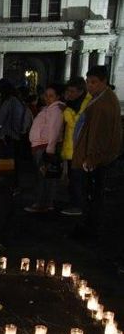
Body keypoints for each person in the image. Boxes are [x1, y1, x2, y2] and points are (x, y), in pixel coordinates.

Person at [71, 65, 123, 239]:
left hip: (95, 160)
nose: (89, 86)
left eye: (93, 82)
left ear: (103, 82)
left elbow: (99, 134)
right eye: (87, 82)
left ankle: (90, 230)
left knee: (92, 196)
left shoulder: (104, 104)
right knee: (90, 195)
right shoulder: (99, 98)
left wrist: (91, 157)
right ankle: (88, 226)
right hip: (91, 156)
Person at [25, 84, 65, 213]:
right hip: (40, 146)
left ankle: (42, 203)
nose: (47, 98)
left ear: (58, 97)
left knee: (44, 177)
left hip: (45, 147)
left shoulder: (56, 110)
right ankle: (45, 203)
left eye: (51, 96)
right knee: (44, 176)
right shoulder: (49, 109)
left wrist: (50, 150)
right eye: (46, 95)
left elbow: (54, 130)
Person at [60, 77, 90, 216]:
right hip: (72, 146)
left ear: (80, 91)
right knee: (73, 178)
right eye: (68, 91)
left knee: (77, 179)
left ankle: (77, 206)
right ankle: (74, 203)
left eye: (72, 91)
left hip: (78, 148)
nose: (69, 94)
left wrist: (66, 111)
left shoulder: (85, 104)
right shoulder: (74, 103)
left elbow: (76, 124)